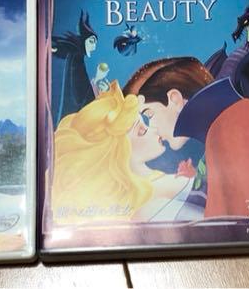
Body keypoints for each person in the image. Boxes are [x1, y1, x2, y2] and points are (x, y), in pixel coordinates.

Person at [124, 56, 249, 217]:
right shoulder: (224, 128)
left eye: (149, 114)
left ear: (175, 99)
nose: (153, 128)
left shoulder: (229, 129)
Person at [50, 80, 195, 223]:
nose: (154, 129)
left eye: (145, 123)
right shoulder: (154, 192)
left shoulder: (154, 183)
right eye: (141, 130)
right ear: (121, 151)